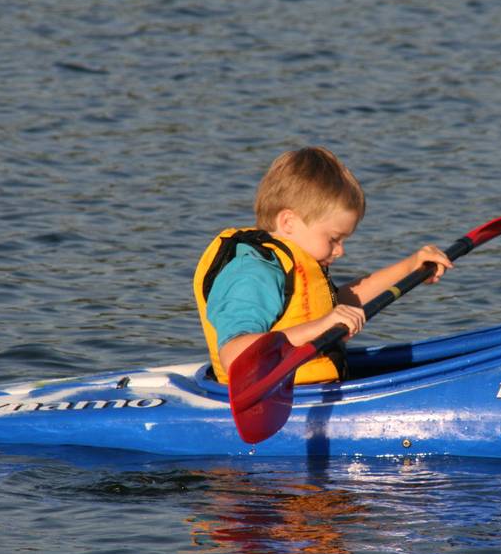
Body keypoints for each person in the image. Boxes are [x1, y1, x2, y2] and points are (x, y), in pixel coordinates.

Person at [193, 146, 452, 385]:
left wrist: (410, 266)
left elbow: (342, 301)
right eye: (333, 239)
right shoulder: (253, 275)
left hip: (311, 391)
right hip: (274, 403)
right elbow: (235, 355)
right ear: (289, 223)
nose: (340, 250)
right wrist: (321, 326)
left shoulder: (291, 266)